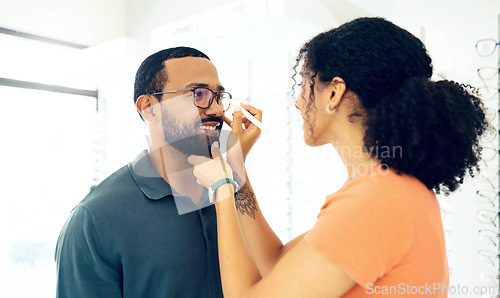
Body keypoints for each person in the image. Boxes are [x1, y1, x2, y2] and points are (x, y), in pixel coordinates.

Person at [188, 17, 489, 297]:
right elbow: (275, 262)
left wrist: (222, 190)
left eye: (304, 85)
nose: (297, 102)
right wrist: (236, 170)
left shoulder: (376, 200)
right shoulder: (391, 190)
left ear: (333, 93)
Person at [55, 47, 260, 297]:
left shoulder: (229, 194)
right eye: (199, 94)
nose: (217, 110)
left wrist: (235, 169)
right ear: (149, 108)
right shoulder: (95, 219)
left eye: (218, 96)